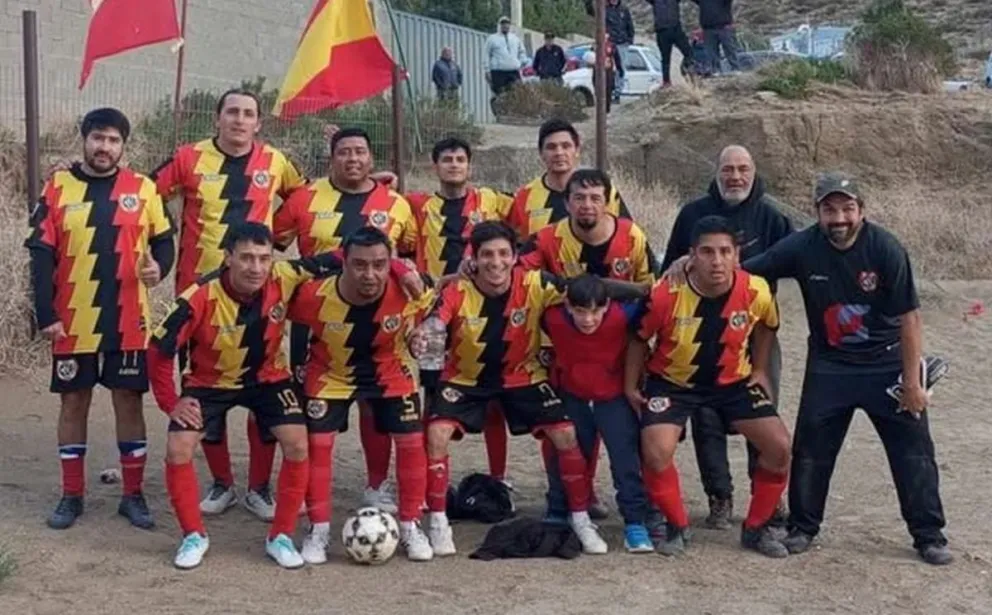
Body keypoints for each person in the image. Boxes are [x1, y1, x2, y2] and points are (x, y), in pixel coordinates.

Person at [741, 172, 953, 565]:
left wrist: (911, 382)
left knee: (913, 453)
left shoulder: (886, 248)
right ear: (816, 211)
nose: (838, 218)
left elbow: (911, 319)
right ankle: (803, 527)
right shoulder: (804, 246)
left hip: (886, 363)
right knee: (811, 452)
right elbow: (749, 270)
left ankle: (929, 534)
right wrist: (693, 264)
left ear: (862, 211)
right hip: (829, 365)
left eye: (847, 208)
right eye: (829, 209)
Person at [150, 88, 308, 521]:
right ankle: (222, 483)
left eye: (248, 114)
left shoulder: (275, 161)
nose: (240, 120)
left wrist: (280, 240)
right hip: (200, 298)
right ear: (217, 119)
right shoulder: (187, 158)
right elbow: (145, 193)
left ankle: (259, 488)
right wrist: (161, 241)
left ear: (258, 123)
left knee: (264, 388)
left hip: (258, 294)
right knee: (206, 387)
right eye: (232, 112)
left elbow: (306, 199)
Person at [147, 223, 333, 569]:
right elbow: (158, 350)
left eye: (264, 258)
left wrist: (401, 267)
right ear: (227, 257)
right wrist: (171, 402)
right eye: (247, 258)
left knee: (297, 442)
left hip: (268, 379)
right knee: (178, 449)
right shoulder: (199, 296)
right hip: (208, 383)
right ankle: (193, 535)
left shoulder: (285, 275)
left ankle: (280, 536)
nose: (257, 268)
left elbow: (341, 257)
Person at [25, 107, 175, 531]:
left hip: (129, 321)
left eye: (112, 140)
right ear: (85, 141)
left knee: (128, 400)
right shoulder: (57, 187)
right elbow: (40, 253)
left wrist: (159, 269)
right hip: (73, 321)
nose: (104, 147)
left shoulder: (143, 188)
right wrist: (45, 312)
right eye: (97, 138)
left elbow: (164, 241)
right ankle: (72, 496)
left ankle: (133, 495)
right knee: (74, 402)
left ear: (122, 146)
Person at [423, 222, 609, 556]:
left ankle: (580, 518)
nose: (496, 262)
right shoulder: (457, 290)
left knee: (566, 434)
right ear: (475, 259)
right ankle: (438, 521)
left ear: (515, 256)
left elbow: (584, 291)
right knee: (436, 434)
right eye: (487, 255)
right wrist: (430, 332)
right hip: (466, 378)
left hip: (523, 376)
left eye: (503, 254)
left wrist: (649, 286)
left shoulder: (536, 283)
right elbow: (436, 321)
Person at [625, 215, 792, 558]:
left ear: (737, 254)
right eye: (707, 252)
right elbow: (638, 339)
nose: (716, 261)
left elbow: (767, 327)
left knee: (779, 448)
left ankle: (757, 528)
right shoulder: (664, 294)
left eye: (724, 251)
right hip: (672, 383)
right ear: (692, 255)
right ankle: (676, 526)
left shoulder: (756, 289)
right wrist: (630, 385)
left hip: (734, 383)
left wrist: (760, 369)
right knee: (656, 451)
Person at [273, 126, 418, 515]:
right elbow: (273, 241)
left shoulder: (396, 203)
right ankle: (308, 488)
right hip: (315, 320)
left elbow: (408, 254)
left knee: (375, 402)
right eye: (344, 152)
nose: (352, 159)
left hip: (378, 319)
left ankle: (375, 485)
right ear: (331, 157)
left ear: (372, 158)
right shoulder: (303, 198)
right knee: (311, 407)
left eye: (360, 152)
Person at [661, 145, 793, 530]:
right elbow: (667, 267)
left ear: (754, 172)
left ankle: (767, 499)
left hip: (756, 331)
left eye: (742, 169)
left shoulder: (771, 216)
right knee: (706, 418)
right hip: (698, 331)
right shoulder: (692, 213)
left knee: (761, 414)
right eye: (728, 169)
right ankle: (719, 497)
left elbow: (800, 258)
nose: (735, 177)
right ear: (716, 173)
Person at [287, 227, 436, 563]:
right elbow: (270, 299)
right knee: (319, 446)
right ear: (344, 262)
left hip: (389, 372)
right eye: (359, 265)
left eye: (380, 265)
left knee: (412, 441)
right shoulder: (312, 296)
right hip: (329, 374)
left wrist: (417, 337)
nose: (370, 274)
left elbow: (430, 315)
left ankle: (411, 525)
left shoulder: (411, 289)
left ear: (390, 263)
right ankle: (319, 529)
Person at [405, 138, 515, 487]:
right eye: (447, 159)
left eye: (460, 159)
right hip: (435, 310)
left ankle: (499, 477)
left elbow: (524, 232)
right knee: (435, 395)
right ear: (433, 166)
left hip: (486, 307)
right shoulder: (418, 206)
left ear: (470, 166)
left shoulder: (493, 201)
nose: (454, 165)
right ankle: (430, 474)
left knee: (493, 394)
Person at [541, 274, 656, 552]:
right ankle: (558, 508)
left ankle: (634, 522)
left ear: (607, 306)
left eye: (595, 311)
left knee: (624, 457)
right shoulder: (551, 316)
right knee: (566, 454)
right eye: (580, 311)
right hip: (573, 394)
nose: (588, 319)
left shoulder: (622, 315)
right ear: (567, 305)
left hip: (612, 396)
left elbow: (651, 295)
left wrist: (622, 287)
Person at [506, 118, 632, 240]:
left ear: (577, 150)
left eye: (566, 146)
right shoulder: (525, 197)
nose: (559, 153)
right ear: (541, 153)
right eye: (551, 147)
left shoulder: (601, 191)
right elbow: (516, 247)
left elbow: (627, 236)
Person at [586, 0, 635, 101]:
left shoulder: (624, 9)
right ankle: (607, 91)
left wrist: (629, 39)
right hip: (609, 43)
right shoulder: (604, 9)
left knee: (620, 68)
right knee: (607, 67)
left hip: (622, 43)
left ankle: (617, 92)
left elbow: (630, 25)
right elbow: (591, 12)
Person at [646, 0, 695, 88]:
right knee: (665, 59)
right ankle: (666, 81)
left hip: (676, 29)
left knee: (689, 52)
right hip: (662, 31)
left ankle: (688, 72)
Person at [692, 0, 740, 73]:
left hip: (724, 26)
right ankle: (716, 71)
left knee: (730, 49)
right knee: (712, 52)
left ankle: (736, 69)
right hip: (708, 28)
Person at [486, 16, 528, 97]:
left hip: (513, 71)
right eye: (503, 24)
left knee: (518, 94)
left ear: (509, 25)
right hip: (498, 72)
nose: (505, 26)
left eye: (507, 24)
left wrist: (522, 62)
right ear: (500, 25)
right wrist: (487, 70)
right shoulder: (492, 39)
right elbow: (486, 55)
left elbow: (522, 51)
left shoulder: (515, 38)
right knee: (500, 95)